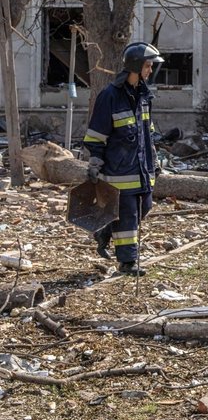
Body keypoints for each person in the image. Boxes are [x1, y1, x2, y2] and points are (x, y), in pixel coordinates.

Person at [83, 42, 163, 276]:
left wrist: (155, 159)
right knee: (128, 216)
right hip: (119, 170)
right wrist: (95, 161)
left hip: (142, 168)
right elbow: (96, 134)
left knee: (144, 207)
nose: (150, 71)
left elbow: (147, 132)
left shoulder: (144, 95)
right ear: (136, 66)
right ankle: (128, 263)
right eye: (148, 66)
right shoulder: (109, 96)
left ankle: (105, 230)